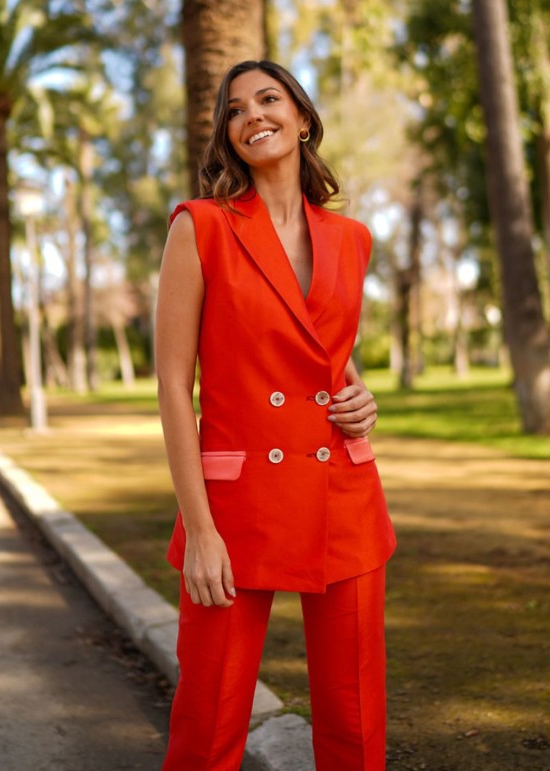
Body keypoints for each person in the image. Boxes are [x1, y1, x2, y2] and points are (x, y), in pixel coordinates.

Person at [156, 59, 396, 771]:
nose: (253, 115)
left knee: (356, 725)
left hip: (343, 494)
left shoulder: (351, 239)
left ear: (302, 116)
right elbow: (173, 384)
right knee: (207, 727)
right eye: (235, 109)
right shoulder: (200, 227)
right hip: (235, 505)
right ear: (227, 134)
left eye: (269, 99)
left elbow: (328, 357)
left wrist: (362, 399)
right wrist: (199, 530)